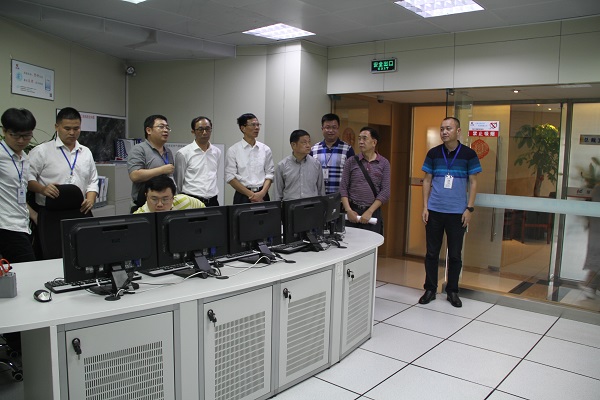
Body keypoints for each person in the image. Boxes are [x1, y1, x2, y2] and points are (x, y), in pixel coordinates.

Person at [419, 117, 482, 308]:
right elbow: (427, 180)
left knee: (454, 254)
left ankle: (452, 291)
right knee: (431, 253)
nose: (444, 132)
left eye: (448, 128)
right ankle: (430, 289)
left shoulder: (469, 154)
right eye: (442, 129)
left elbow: (473, 183)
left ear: (458, 131)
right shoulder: (433, 153)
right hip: (435, 211)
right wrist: (425, 207)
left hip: (457, 213)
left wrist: (469, 208)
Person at [28, 107, 98, 215]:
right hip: (51, 211)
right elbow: (27, 178)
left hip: (80, 210)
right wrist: (42, 189)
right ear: (57, 127)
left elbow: (92, 181)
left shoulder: (86, 152)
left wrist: (90, 199)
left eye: (76, 128)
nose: (72, 133)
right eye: (67, 128)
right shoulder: (41, 151)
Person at [0, 108, 37, 263]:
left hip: (21, 224)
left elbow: (15, 193)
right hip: (6, 226)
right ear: (4, 131)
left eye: (26, 135)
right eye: (15, 135)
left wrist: (33, 215)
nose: (21, 141)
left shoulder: (24, 158)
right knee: (29, 269)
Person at [340, 127, 390, 235]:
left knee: (371, 243)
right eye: (359, 139)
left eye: (364, 138)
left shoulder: (384, 163)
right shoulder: (351, 161)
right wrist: (348, 210)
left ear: (374, 142)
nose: (361, 142)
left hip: (372, 213)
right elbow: (343, 188)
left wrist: (370, 211)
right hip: (352, 211)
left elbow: (385, 192)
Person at [225, 113, 274, 204]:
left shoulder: (265, 149)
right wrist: (251, 195)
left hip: (263, 194)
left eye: (258, 125)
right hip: (243, 195)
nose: (257, 128)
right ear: (243, 128)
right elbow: (230, 177)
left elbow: (270, 174)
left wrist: (262, 193)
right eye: (253, 125)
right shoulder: (233, 150)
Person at [127, 114, 175, 208]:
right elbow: (135, 175)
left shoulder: (168, 151)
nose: (165, 130)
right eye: (161, 127)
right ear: (148, 130)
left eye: (167, 127)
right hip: (144, 204)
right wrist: (162, 170)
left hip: (164, 203)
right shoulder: (139, 149)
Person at [174, 116, 221, 206]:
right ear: (193, 131)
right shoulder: (183, 153)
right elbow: (178, 183)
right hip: (191, 200)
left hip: (212, 201)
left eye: (207, 129)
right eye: (200, 129)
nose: (204, 132)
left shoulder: (216, 152)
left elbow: (214, 175)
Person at [311, 113, 355, 195]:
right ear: (322, 129)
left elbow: (353, 174)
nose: (331, 130)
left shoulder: (347, 149)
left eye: (334, 127)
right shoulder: (314, 149)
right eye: (327, 127)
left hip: (340, 197)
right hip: (318, 196)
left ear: (338, 129)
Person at [274, 130, 325, 201]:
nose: (308, 145)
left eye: (309, 142)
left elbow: (321, 191)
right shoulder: (282, 166)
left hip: (311, 205)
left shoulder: (316, 164)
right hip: (290, 205)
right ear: (293, 145)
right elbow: (277, 194)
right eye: (304, 142)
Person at [134, 175, 205, 213]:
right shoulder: (139, 218)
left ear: (173, 198)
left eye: (165, 199)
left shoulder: (185, 201)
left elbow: (204, 211)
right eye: (154, 199)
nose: (159, 204)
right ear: (146, 197)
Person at [579, 183, 600, 298]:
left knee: (596, 260)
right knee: (597, 260)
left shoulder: (597, 188)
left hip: (596, 230)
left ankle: (591, 285)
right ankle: (589, 285)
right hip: (597, 231)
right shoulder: (598, 189)